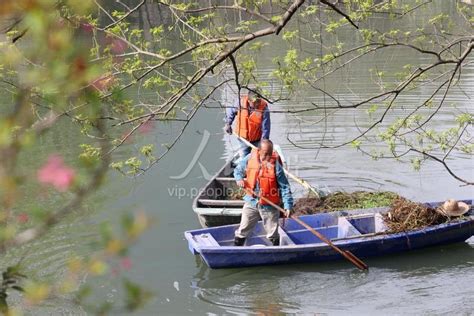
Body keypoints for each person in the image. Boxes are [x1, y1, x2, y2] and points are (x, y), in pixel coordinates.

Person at [233, 139, 293, 246]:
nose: (268, 157)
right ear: (259, 151)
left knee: (272, 234)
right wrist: (239, 179)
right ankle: (236, 249)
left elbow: (285, 187)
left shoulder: (276, 166)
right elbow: (237, 170)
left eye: (270, 154)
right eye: (265, 154)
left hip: (269, 205)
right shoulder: (250, 158)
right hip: (251, 201)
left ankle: (276, 252)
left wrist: (288, 206)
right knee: (242, 230)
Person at [224, 86, 270, 157]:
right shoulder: (240, 103)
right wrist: (228, 124)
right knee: (245, 158)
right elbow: (231, 112)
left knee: (257, 158)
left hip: (256, 140)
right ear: (249, 101)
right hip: (243, 139)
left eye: (258, 101)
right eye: (255, 102)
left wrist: (264, 142)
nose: (257, 104)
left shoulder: (264, 109)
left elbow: (266, 128)